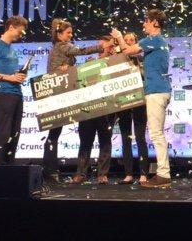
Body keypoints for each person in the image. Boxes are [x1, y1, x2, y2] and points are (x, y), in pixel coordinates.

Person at [112, 9, 172, 189]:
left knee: (156, 134)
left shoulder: (152, 40)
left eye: (146, 20)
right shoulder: (160, 42)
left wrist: (119, 37)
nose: (144, 24)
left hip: (155, 91)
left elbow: (128, 51)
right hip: (161, 90)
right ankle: (163, 173)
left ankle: (163, 175)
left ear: (155, 23)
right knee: (157, 133)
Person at [42, 18, 103, 183]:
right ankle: (49, 172)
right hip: (57, 94)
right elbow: (81, 51)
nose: (71, 35)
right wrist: (100, 46)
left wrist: (68, 68)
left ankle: (50, 171)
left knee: (54, 133)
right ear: (59, 34)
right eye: (68, 32)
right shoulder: (62, 46)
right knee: (54, 133)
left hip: (57, 93)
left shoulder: (58, 47)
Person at [0, 15, 29, 166]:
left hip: (17, 93)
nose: (21, 35)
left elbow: (10, 73)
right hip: (3, 94)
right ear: (11, 27)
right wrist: (10, 78)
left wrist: (19, 76)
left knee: (15, 133)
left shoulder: (12, 50)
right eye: (20, 32)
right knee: (4, 133)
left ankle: (9, 167)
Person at [73, 36, 118, 184]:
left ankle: (102, 174)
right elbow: (79, 80)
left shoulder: (117, 63)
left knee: (105, 141)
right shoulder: (90, 62)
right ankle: (81, 173)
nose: (101, 49)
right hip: (88, 108)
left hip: (107, 108)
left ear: (111, 48)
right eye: (100, 46)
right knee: (85, 141)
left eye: (105, 46)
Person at [116, 32, 149, 185]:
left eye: (131, 40)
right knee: (125, 138)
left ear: (136, 43)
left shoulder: (142, 59)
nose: (128, 42)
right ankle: (128, 174)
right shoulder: (116, 60)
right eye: (126, 40)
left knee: (140, 137)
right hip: (123, 101)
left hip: (139, 100)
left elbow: (146, 77)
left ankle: (143, 173)